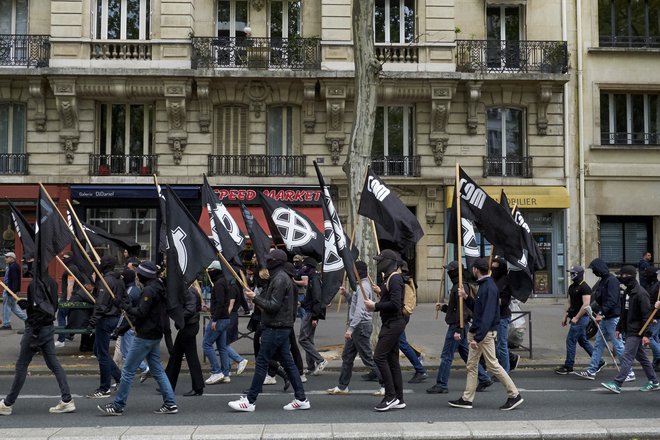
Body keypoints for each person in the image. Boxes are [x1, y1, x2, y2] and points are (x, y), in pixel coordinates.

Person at [228, 249, 309, 412]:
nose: (267, 262)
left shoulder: (279, 279)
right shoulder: (279, 278)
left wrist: (254, 298)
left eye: (270, 260)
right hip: (280, 326)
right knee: (288, 363)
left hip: (276, 327)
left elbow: (273, 306)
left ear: (276, 262)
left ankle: (250, 401)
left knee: (262, 362)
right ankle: (301, 398)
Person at [98, 261, 178, 415]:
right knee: (158, 370)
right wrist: (122, 328)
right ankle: (170, 403)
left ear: (144, 275)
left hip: (145, 336)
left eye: (138, 274)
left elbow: (140, 313)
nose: (137, 276)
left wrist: (123, 305)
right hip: (155, 334)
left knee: (127, 371)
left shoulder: (149, 291)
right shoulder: (158, 287)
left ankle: (118, 405)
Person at [448, 258, 523, 411]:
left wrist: (478, 337)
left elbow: (487, 316)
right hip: (480, 332)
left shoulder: (488, 287)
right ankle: (467, 398)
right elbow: (479, 310)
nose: (472, 271)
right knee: (472, 365)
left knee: (492, 365)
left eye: (473, 269)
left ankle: (514, 394)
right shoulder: (486, 286)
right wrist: (467, 297)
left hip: (484, 334)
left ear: (476, 269)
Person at [0, 273, 75, 415]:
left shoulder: (35, 283)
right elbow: (49, 306)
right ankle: (67, 400)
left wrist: (34, 333)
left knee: (22, 365)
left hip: (36, 328)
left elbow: (39, 310)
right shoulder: (52, 282)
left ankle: (8, 403)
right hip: (48, 327)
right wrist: (28, 304)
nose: (27, 262)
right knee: (54, 364)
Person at [427, 261, 492, 394]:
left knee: (446, 355)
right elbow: (456, 309)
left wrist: (458, 329)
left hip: (457, 326)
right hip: (460, 325)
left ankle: (441, 384)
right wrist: (444, 307)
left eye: (450, 270)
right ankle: (484, 378)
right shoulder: (459, 285)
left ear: (456, 272)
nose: (448, 272)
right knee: (466, 354)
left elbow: (464, 311)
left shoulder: (461, 286)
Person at [601, 265, 659, 393]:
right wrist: (619, 327)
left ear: (631, 277)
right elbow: (624, 312)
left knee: (627, 356)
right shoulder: (628, 292)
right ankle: (654, 381)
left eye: (623, 276)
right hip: (629, 329)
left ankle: (617, 383)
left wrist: (646, 335)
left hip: (637, 331)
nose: (621, 278)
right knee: (642, 358)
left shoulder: (641, 294)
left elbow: (646, 316)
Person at [327, 261, 380, 395]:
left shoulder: (363, 287)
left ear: (358, 273)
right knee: (347, 356)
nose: (351, 274)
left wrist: (350, 329)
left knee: (367, 358)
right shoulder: (360, 286)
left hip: (360, 327)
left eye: (353, 271)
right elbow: (356, 304)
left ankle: (386, 385)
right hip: (358, 326)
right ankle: (342, 386)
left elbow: (360, 311)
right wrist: (346, 295)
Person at [364, 249, 407, 412]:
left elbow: (396, 304)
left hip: (393, 323)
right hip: (391, 322)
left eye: (380, 260)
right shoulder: (390, 278)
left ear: (389, 262)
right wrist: (381, 292)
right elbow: (391, 298)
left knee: (379, 357)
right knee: (392, 361)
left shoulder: (395, 278)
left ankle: (390, 396)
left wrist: (375, 305)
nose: (378, 263)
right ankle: (399, 398)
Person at [575, 258, 628, 381]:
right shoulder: (603, 280)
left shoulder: (611, 280)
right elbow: (600, 297)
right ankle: (592, 370)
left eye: (594, 270)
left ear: (599, 269)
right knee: (599, 344)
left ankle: (628, 371)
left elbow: (612, 300)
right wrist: (598, 312)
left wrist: (601, 313)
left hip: (612, 318)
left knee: (618, 345)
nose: (593, 272)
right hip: (606, 318)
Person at [86, 255, 127, 399]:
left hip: (105, 319)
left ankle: (104, 388)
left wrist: (92, 322)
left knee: (102, 353)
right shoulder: (119, 280)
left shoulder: (106, 281)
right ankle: (119, 377)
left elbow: (101, 304)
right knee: (97, 350)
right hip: (115, 317)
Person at [203, 261, 248, 385]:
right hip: (225, 318)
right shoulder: (227, 282)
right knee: (222, 346)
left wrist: (215, 319)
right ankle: (225, 374)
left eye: (210, 270)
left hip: (219, 319)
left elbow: (221, 302)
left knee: (206, 344)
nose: (208, 272)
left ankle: (216, 371)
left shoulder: (218, 284)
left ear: (215, 270)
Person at [165, 280, 205, 396]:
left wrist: (178, 318)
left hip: (188, 327)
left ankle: (196, 387)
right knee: (176, 356)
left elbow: (190, 309)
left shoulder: (189, 292)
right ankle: (168, 384)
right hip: (189, 326)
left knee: (187, 357)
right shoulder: (191, 291)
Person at [555, 265, 594, 375]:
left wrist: (576, 317)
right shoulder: (572, 287)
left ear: (580, 274)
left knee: (570, 340)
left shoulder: (585, 287)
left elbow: (586, 305)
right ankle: (599, 361)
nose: (571, 275)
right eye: (571, 273)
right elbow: (569, 302)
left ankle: (569, 366)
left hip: (581, 319)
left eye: (573, 273)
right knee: (583, 341)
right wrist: (565, 316)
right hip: (574, 317)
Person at [398, 261, 428, 384]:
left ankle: (420, 370)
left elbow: (396, 299)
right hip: (403, 315)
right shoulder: (406, 279)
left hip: (399, 315)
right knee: (397, 342)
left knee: (401, 342)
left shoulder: (401, 281)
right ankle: (417, 356)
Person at [298, 257, 328, 376]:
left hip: (311, 312)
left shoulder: (314, 280)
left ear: (309, 267)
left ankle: (320, 360)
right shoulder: (313, 278)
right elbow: (311, 297)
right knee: (308, 339)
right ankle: (311, 367)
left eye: (305, 266)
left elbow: (317, 299)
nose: (303, 268)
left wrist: (315, 317)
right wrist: (302, 303)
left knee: (303, 339)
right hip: (310, 310)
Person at [491, 257, 512, 372]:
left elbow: (505, 301)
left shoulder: (505, 281)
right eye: (492, 267)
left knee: (501, 344)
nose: (493, 270)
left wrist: (491, 300)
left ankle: (504, 371)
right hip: (493, 316)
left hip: (502, 316)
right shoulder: (492, 279)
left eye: (496, 268)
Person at [2, 251, 26, 330]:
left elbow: (15, 280)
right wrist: (16, 290)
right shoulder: (12, 266)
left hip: (9, 289)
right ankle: (27, 319)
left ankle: (6, 324)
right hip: (10, 289)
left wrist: (11, 291)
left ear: (12, 258)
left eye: (7, 257)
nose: (5, 259)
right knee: (13, 307)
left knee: (6, 307)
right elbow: (17, 280)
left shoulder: (13, 267)